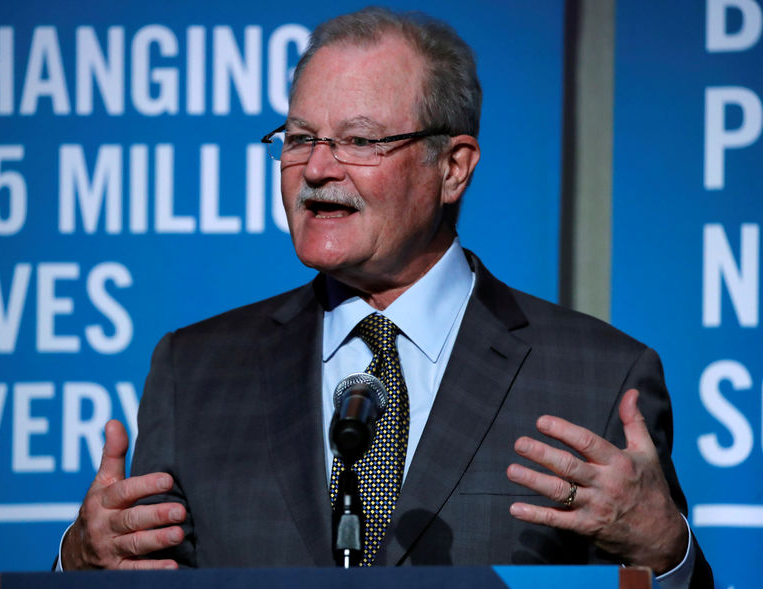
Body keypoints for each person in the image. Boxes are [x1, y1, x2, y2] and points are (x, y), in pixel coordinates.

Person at [58, 7, 712, 587]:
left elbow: (655, 577)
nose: (315, 168)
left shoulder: (596, 378)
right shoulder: (193, 370)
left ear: (453, 166)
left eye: (361, 140)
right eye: (300, 137)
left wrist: (665, 549)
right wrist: (82, 561)